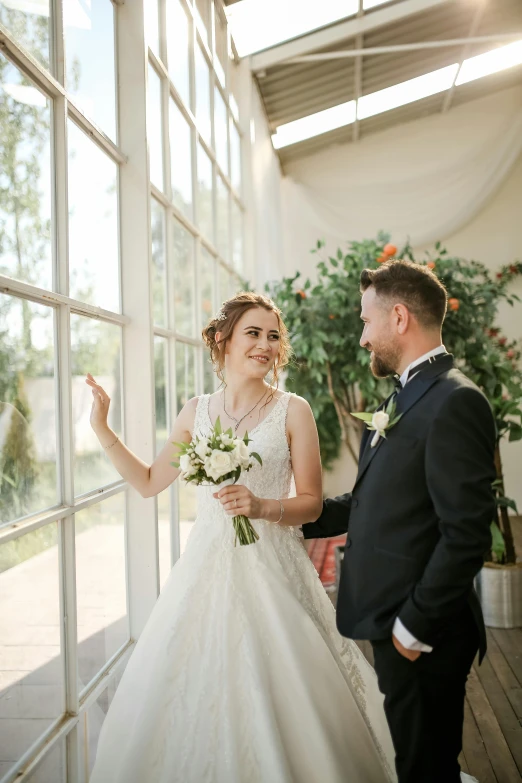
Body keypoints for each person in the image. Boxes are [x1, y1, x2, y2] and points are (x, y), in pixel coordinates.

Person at [86, 291, 396, 783]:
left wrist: (262, 506)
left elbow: (313, 502)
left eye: (273, 336)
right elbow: (148, 482)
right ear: (221, 341)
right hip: (203, 571)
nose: (265, 345)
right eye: (253, 333)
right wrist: (102, 427)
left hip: (273, 566)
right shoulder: (196, 411)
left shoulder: (294, 410)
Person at [303, 260, 496, 783]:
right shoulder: (405, 395)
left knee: (423, 770)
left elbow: (466, 534)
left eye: (366, 321)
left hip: (419, 632)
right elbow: (374, 501)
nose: (362, 336)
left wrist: (411, 628)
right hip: (393, 622)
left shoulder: (455, 401)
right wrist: (288, 517)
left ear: (399, 317)